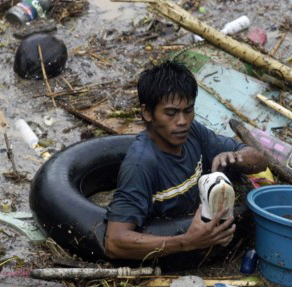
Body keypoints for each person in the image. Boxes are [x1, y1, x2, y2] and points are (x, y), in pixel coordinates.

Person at [104, 61, 267, 260]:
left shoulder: (194, 132)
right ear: (147, 113)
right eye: (170, 113)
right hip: (169, 243)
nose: (182, 121)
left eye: (188, 111)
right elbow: (114, 242)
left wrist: (236, 159)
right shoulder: (140, 164)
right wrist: (186, 242)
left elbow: (260, 161)